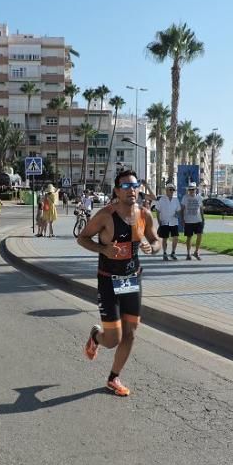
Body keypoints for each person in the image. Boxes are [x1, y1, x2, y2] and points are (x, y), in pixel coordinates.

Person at [77, 169, 161, 397]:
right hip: (108, 280)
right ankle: (96, 336)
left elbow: (156, 240)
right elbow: (82, 238)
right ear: (116, 191)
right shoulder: (106, 215)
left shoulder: (145, 215)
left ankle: (113, 378)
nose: (131, 190)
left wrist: (151, 248)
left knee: (131, 333)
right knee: (113, 339)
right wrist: (103, 248)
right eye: (125, 186)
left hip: (132, 279)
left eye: (134, 186)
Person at [153, 183, 181, 261]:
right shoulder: (162, 199)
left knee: (175, 237)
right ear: (166, 190)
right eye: (170, 189)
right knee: (165, 238)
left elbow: (178, 209)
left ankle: (173, 252)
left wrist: (177, 213)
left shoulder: (176, 199)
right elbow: (157, 211)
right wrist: (159, 221)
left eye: (173, 190)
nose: (172, 191)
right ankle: (165, 253)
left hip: (174, 222)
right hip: (164, 222)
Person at [181, 181, 204, 260]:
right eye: (190, 189)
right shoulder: (185, 197)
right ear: (188, 190)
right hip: (188, 221)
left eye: (193, 189)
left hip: (198, 220)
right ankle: (188, 253)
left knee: (199, 236)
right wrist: (182, 219)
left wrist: (203, 219)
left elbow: (201, 209)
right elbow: (182, 209)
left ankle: (196, 252)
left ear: (195, 190)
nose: (191, 191)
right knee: (189, 237)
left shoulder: (199, 198)